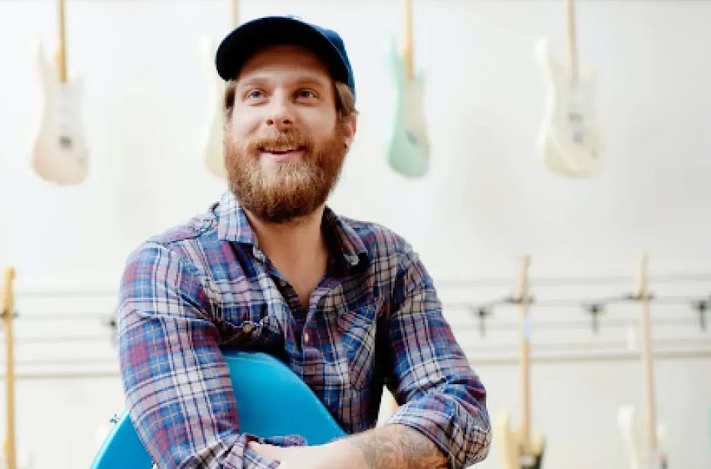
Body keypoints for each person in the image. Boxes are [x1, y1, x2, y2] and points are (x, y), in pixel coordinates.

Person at [117, 15, 491, 469]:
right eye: (257, 95)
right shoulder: (168, 268)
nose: (278, 113)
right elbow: (204, 461)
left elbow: (463, 413)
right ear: (228, 128)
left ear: (347, 128)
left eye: (305, 94)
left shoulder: (389, 262)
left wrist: (332, 459)